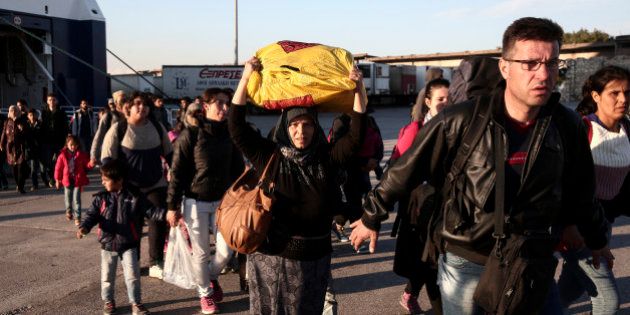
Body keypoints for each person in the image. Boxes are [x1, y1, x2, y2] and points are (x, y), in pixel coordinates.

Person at [350, 17, 614, 315]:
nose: (543, 74)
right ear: (505, 67)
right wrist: (372, 216)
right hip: (468, 260)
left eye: (552, 63)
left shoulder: (567, 126)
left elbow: (582, 190)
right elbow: (406, 169)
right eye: (530, 64)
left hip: (532, 258)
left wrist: (597, 238)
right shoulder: (461, 120)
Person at [229, 57, 367, 314]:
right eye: (294, 125)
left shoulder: (327, 158)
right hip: (271, 259)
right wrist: (246, 78)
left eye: (306, 125)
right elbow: (236, 128)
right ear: (285, 128)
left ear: (315, 128)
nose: (300, 131)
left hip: (314, 262)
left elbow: (357, 135)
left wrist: (359, 89)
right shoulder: (269, 156)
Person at [556, 65, 630, 314]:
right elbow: (561, 180)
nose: (623, 99)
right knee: (607, 301)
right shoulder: (583, 128)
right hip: (579, 228)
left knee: (569, 290)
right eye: (614, 93)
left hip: (604, 224)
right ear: (596, 96)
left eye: (627, 92)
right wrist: (569, 225)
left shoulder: (626, 130)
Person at [166, 88, 245, 314]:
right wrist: (172, 207)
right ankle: (205, 294)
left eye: (226, 103)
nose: (224, 107)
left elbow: (238, 170)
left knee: (226, 250)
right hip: (195, 203)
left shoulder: (230, 135)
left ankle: (209, 278)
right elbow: (177, 172)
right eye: (219, 103)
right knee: (201, 254)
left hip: (223, 204)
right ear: (206, 106)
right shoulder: (190, 135)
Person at [389, 78, 450, 315]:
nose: (446, 103)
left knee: (433, 262)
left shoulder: (454, 125)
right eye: (440, 99)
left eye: (449, 99)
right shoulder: (415, 130)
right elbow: (396, 171)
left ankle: (411, 295)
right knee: (430, 262)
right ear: (427, 102)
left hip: (445, 207)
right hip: (419, 208)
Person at [101, 91, 173, 280]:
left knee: (157, 223)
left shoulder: (157, 127)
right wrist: (115, 183)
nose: (143, 108)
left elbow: (170, 153)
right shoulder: (119, 129)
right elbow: (107, 158)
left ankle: (156, 262)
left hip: (155, 184)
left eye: (146, 105)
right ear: (129, 107)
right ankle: (133, 262)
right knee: (132, 227)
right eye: (138, 104)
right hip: (129, 188)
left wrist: (177, 173)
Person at [77, 159, 164, 315]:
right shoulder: (101, 198)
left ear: (118, 180)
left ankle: (136, 303)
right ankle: (109, 301)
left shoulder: (134, 196)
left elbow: (151, 211)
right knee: (107, 277)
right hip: (107, 245)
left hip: (129, 243)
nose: (102, 182)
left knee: (133, 276)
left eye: (105, 179)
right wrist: (84, 227)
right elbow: (91, 215)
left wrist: (167, 215)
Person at [328, 109, 384, 244]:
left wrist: (375, 161)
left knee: (364, 202)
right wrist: (363, 163)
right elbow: (339, 153)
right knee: (350, 204)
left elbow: (379, 145)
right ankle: (339, 226)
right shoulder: (340, 122)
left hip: (363, 171)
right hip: (346, 172)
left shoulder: (370, 120)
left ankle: (355, 234)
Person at [55, 135, 92, 225]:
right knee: (68, 198)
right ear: (67, 144)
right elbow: (58, 168)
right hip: (67, 180)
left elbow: (87, 164)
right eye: (71, 145)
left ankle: (78, 217)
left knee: (77, 199)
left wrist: (91, 163)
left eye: (75, 145)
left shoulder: (80, 154)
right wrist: (57, 179)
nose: (73, 147)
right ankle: (69, 211)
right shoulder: (62, 155)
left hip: (77, 180)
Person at [40, 93, 69, 187]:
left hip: (59, 141)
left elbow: (66, 126)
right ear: (47, 102)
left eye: (53, 100)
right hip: (47, 141)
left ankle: (55, 179)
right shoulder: (43, 113)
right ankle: (52, 177)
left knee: (57, 161)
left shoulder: (61, 113)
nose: (52, 102)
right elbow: (40, 127)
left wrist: (66, 140)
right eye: (50, 100)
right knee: (48, 162)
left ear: (56, 101)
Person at [90, 90, 126, 167]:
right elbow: (99, 136)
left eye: (126, 100)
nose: (124, 102)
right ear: (116, 103)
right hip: (112, 153)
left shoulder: (130, 115)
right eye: (122, 100)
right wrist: (93, 156)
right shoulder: (108, 116)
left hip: (127, 154)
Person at [0, 105, 28, 193]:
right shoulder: (7, 122)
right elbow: (4, 133)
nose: (14, 112)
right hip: (11, 149)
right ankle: (18, 183)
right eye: (12, 111)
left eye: (15, 110)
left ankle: (21, 187)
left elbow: (27, 134)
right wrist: (1, 144)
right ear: (9, 112)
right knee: (14, 170)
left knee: (21, 169)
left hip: (20, 148)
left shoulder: (22, 121)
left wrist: (22, 129)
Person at [24, 109, 45, 191]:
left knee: (43, 168)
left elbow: (43, 135)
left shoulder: (40, 124)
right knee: (33, 168)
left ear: (36, 115)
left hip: (40, 149)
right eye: (30, 115)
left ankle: (46, 181)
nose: (32, 117)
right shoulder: (26, 125)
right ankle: (35, 185)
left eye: (33, 115)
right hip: (31, 150)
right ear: (28, 116)